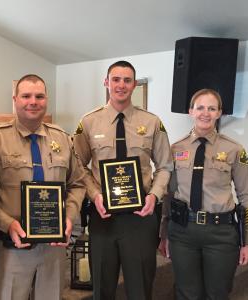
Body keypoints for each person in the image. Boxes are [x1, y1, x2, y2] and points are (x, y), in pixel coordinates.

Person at [73, 60, 173, 300]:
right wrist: (94, 195)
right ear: (106, 83)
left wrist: (154, 195)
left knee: (140, 287)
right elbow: (78, 167)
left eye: (127, 80)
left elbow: (166, 165)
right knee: (103, 288)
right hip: (103, 216)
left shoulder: (152, 122)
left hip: (141, 217)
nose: (121, 85)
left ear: (135, 85)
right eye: (115, 79)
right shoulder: (88, 122)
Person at [0, 74, 85, 300]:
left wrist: (68, 218)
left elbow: (77, 183)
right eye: (26, 96)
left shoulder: (61, 138)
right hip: (12, 247)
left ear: (46, 100)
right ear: (15, 99)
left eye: (39, 96)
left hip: (54, 247)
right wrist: (7, 224)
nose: (33, 101)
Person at [158, 88, 248, 300]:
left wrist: (247, 241)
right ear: (191, 111)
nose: (205, 113)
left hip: (221, 234)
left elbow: (246, 197)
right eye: (200, 107)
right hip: (182, 232)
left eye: (212, 108)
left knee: (217, 293)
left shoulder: (234, 150)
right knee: (186, 292)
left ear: (219, 113)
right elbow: (168, 194)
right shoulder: (175, 149)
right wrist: (164, 233)